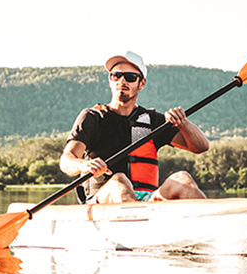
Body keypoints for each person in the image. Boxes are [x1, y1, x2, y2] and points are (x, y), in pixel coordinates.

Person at [60, 51, 210, 204]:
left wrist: (183, 123)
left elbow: (201, 146)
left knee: (182, 178)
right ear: (110, 80)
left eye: (130, 77)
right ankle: (135, 221)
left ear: (142, 83)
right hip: (102, 198)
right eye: (116, 75)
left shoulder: (151, 120)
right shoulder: (92, 117)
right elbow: (66, 161)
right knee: (120, 180)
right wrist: (83, 164)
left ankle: (216, 223)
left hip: (145, 199)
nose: (122, 81)